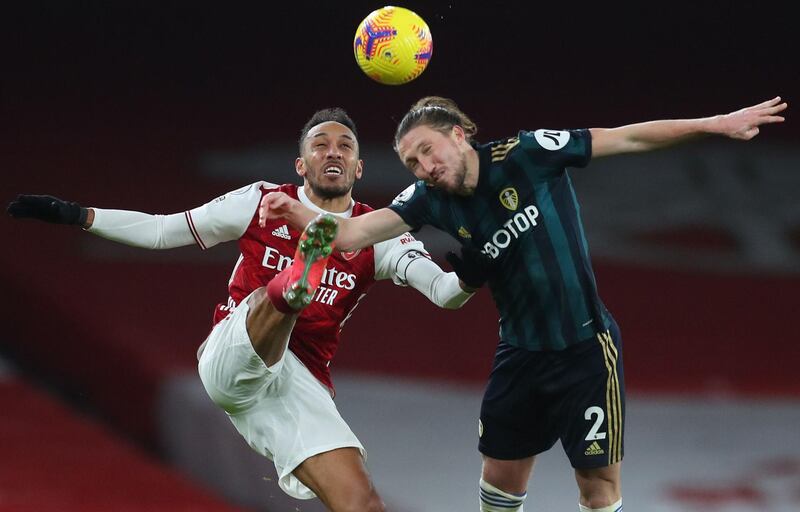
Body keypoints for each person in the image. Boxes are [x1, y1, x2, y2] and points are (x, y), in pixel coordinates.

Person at [258, 96, 788, 512]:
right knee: (499, 480)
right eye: (411, 161)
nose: (422, 167)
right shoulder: (428, 200)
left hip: (584, 348)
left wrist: (715, 123)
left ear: (459, 136)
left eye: (427, 150)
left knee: (597, 482)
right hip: (520, 356)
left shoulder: (529, 154)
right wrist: (295, 214)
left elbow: (627, 138)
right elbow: (351, 234)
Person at [6, 108, 478, 512]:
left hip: (298, 383)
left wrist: (472, 275)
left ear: (358, 168)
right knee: (269, 298)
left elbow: (443, 293)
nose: (333, 151)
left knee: (362, 503)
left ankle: (295, 283)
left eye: (345, 146)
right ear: (301, 164)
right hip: (231, 353)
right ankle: (293, 286)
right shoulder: (260, 201)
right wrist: (75, 214)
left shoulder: (380, 235)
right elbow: (160, 231)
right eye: (320, 144)